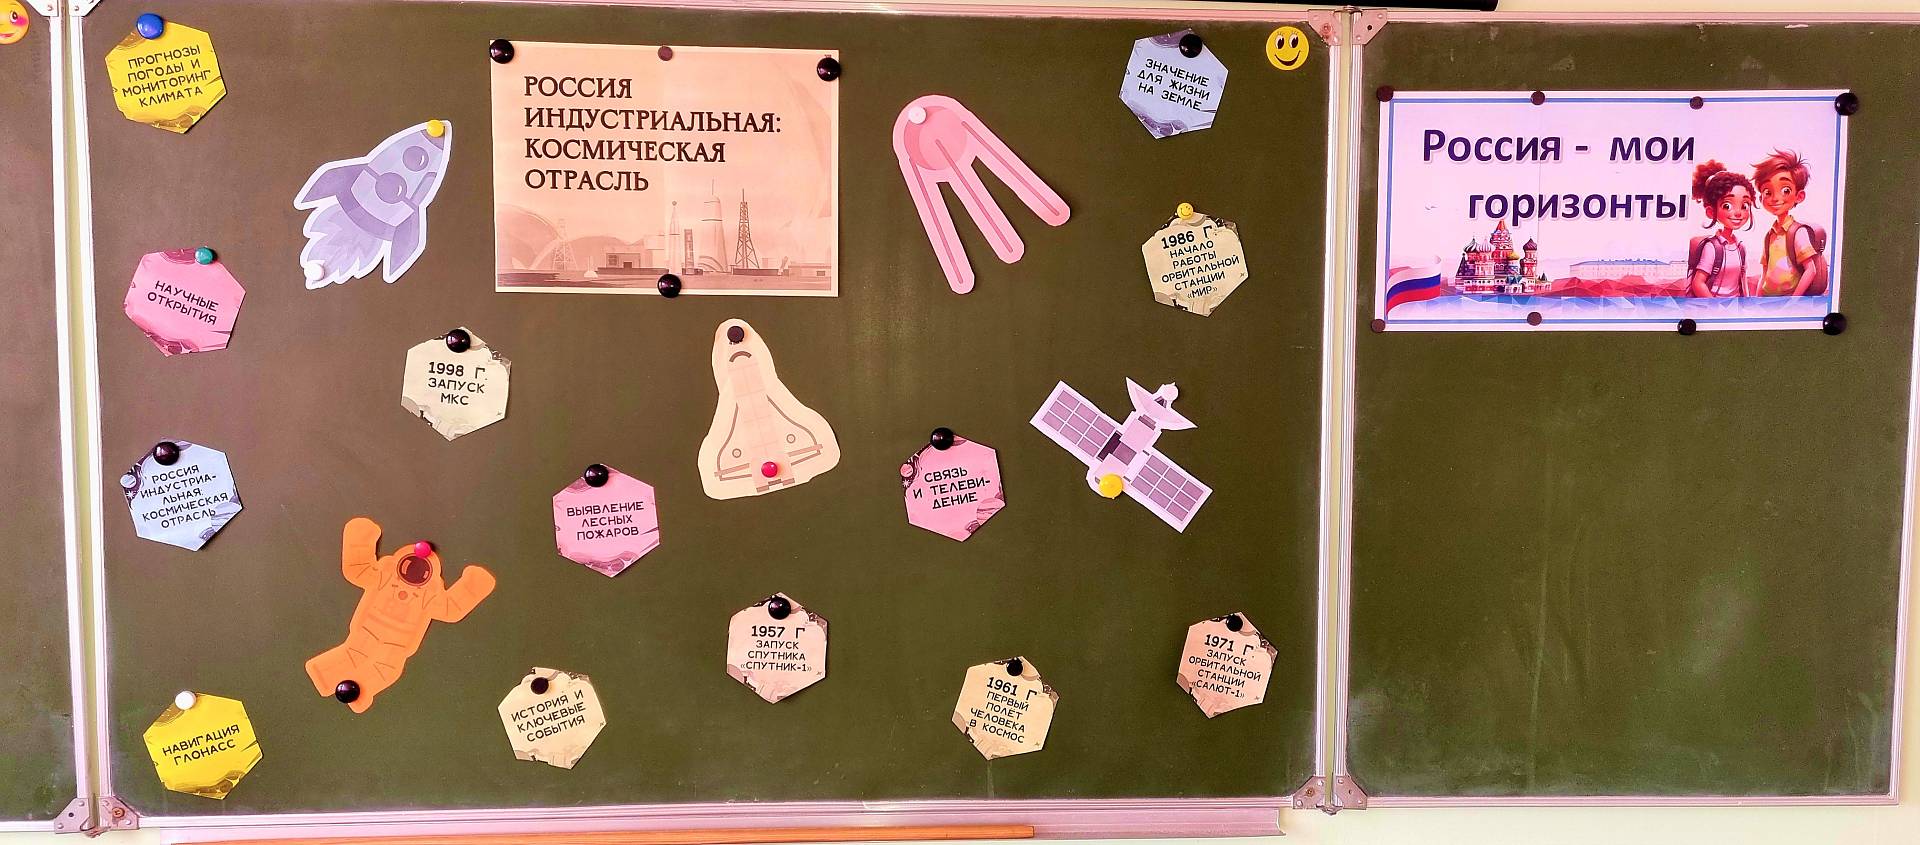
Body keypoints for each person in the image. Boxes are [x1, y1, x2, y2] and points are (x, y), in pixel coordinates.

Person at [1752, 149, 1829, 296]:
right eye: (1768, 192)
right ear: (1761, 198)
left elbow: (1811, 270)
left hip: (1787, 299)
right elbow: (1765, 272)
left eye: (1785, 190)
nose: (1775, 198)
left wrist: (1793, 300)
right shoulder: (1770, 235)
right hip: (1767, 300)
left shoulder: (1797, 232)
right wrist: (1757, 298)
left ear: (1799, 196)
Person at [1687, 160, 1755, 298]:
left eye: (1744, 206)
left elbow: (1742, 280)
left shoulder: (1740, 248)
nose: (1738, 213)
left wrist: (1746, 303)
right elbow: (1698, 283)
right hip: (1715, 307)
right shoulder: (1713, 247)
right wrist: (1715, 307)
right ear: (1711, 212)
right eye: (1727, 206)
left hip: (1736, 306)